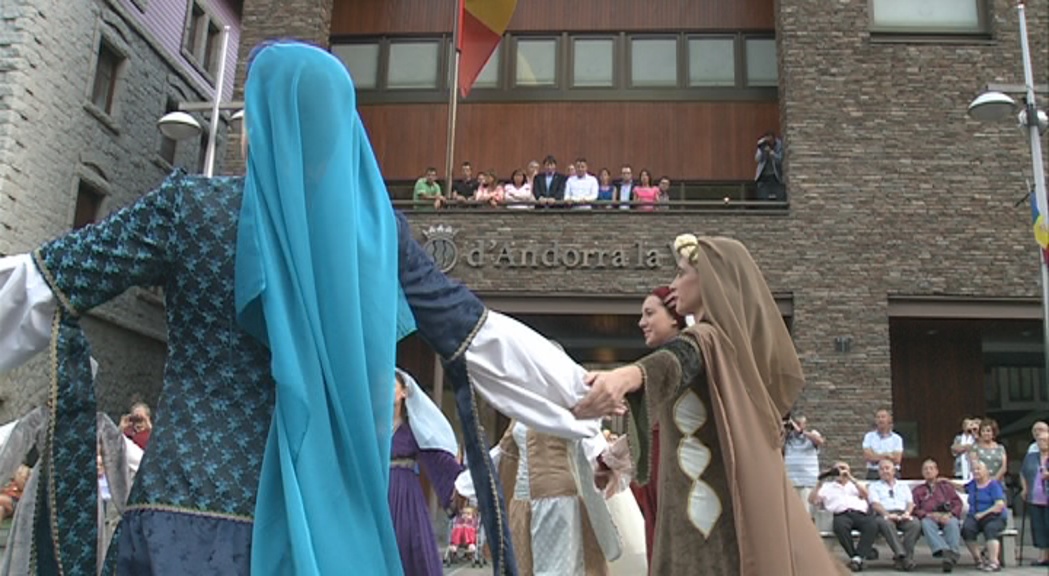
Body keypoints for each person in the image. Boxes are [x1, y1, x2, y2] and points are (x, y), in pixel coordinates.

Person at [0, 41, 605, 575]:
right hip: (316, 529)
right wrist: (580, 392)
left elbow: (49, 278)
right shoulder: (371, 238)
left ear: (258, 124)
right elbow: (471, 330)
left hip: (180, 516)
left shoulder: (188, 207)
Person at [574, 234, 845, 575]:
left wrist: (625, 377)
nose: (673, 285)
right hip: (703, 507)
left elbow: (673, 362)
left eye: (681, 272)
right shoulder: (727, 347)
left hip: (700, 520)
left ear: (710, 281)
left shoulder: (705, 338)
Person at [631, 285, 685, 568]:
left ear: (674, 316)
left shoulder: (681, 361)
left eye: (650, 313)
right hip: (658, 478)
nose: (642, 322)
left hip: (676, 477)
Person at [811, 462, 880, 572]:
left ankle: (857, 558)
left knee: (872, 525)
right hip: (841, 514)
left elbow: (867, 495)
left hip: (859, 514)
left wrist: (850, 478)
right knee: (840, 527)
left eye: (843, 468)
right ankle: (856, 557)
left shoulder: (855, 484)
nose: (840, 471)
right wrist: (819, 483)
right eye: (837, 469)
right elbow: (813, 500)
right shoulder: (827, 487)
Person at [866, 459, 920, 571]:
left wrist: (907, 513)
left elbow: (910, 503)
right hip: (884, 514)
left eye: (887, 468)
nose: (885, 471)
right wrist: (887, 514)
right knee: (885, 523)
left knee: (915, 523)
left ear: (894, 470)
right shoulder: (874, 486)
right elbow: (875, 504)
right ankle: (903, 556)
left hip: (902, 514)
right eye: (881, 469)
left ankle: (902, 559)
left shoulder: (903, 486)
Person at [911, 458, 964, 572]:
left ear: (936, 471)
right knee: (925, 523)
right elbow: (914, 508)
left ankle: (951, 555)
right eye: (925, 469)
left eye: (931, 468)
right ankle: (946, 552)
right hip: (929, 517)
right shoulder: (918, 490)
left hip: (947, 516)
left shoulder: (946, 487)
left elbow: (958, 503)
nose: (928, 471)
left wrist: (950, 514)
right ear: (922, 473)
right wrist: (928, 515)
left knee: (953, 523)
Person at [962, 461, 1008, 572]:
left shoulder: (993, 485)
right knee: (967, 529)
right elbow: (963, 488)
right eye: (974, 470)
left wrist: (983, 514)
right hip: (975, 516)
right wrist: (946, 482)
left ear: (986, 471)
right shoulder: (973, 484)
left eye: (978, 469)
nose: (976, 472)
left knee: (990, 529)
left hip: (993, 516)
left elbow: (999, 505)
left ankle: (994, 562)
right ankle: (979, 559)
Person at [783, 414, 824, 519]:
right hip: (790, 480)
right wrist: (785, 429)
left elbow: (820, 441)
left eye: (799, 423)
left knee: (804, 514)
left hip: (806, 481)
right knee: (790, 514)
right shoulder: (788, 437)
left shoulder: (811, 435)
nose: (796, 426)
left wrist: (801, 432)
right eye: (795, 423)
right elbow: (776, 444)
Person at [1020, 432, 1049, 566]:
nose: (1041, 442)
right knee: (1038, 527)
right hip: (1035, 496)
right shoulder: (1031, 457)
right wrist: (1025, 488)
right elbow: (1023, 472)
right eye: (1039, 440)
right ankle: (1043, 556)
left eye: (1044, 440)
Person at [862, 409, 903, 480]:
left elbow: (897, 460)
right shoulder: (869, 437)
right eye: (878, 417)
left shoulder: (897, 438)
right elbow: (868, 457)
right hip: (874, 472)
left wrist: (876, 456)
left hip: (892, 472)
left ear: (889, 419)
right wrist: (886, 455)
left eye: (883, 417)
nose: (880, 419)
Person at [754, 130, 784, 201]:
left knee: (778, 195)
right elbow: (757, 159)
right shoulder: (762, 145)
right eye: (768, 140)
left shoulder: (778, 145)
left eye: (771, 140)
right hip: (763, 175)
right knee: (763, 195)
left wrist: (772, 154)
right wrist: (761, 150)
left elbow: (780, 159)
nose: (770, 142)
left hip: (775, 175)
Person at [951, 418, 981, 482]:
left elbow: (977, 448)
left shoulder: (977, 437)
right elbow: (955, 449)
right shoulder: (959, 438)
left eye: (971, 424)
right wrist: (967, 447)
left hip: (974, 468)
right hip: (960, 469)